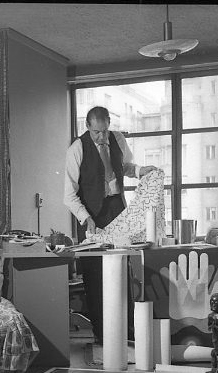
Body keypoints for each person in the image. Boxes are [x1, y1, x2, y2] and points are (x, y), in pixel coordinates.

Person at [64, 106, 158, 343]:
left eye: (105, 131)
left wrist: (139, 170)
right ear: (87, 127)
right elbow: (69, 194)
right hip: (91, 216)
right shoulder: (77, 148)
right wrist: (86, 218)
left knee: (123, 269)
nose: (102, 137)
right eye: (97, 133)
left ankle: (127, 330)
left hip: (117, 208)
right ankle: (102, 335)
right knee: (95, 276)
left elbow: (125, 166)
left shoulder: (117, 139)